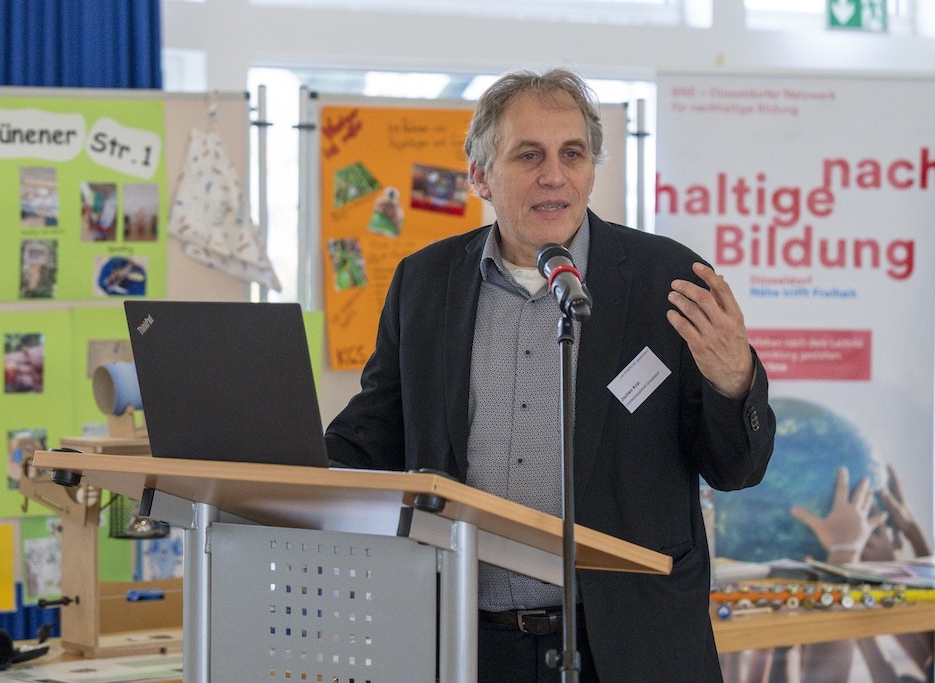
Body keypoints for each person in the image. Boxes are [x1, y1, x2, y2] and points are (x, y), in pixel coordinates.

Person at [324, 67, 776, 683]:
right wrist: (258, 465)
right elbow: (370, 441)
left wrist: (734, 383)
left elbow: (735, 469)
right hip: (465, 640)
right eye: (528, 155)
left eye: (573, 154)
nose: (554, 176)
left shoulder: (664, 278)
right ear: (480, 174)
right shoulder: (424, 282)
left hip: (627, 646)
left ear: (592, 169)